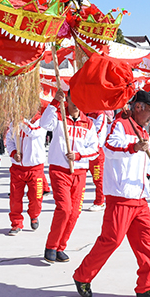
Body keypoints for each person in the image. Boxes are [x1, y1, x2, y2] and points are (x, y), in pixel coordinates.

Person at [73, 91, 150, 297]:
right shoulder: (121, 124)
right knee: (111, 240)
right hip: (121, 196)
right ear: (138, 107)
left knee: (147, 242)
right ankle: (83, 275)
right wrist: (133, 147)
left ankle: (146, 286)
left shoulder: (143, 131)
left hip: (140, 197)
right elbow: (110, 148)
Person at [39, 89, 100, 264]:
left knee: (74, 212)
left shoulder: (88, 123)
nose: (76, 102)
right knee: (64, 208)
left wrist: (79, 155)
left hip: (79, 172)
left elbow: (94, 149)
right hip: (59, 170)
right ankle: (51, 246)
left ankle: (60, 247)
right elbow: (44, 125)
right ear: (67, 98)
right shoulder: (59, 116)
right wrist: (53, 103)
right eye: (73, 98)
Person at [4, 110, 49, 234]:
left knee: (36, 197)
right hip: (17, 169)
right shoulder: (15, 123)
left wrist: (20, 121)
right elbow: (9, 141)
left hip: (35, 169)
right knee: (15, 198)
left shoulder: (42, 120)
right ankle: (16, 223)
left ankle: (34, 215)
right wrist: (14, 153)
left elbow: (33, 132)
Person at [85, 110, 112, 212]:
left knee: (98, 177)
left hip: (95, 151)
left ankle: (100, 202)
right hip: (81, 150)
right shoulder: (83, 111)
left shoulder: (99, 114)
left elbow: (98, 132)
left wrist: (89, 144)